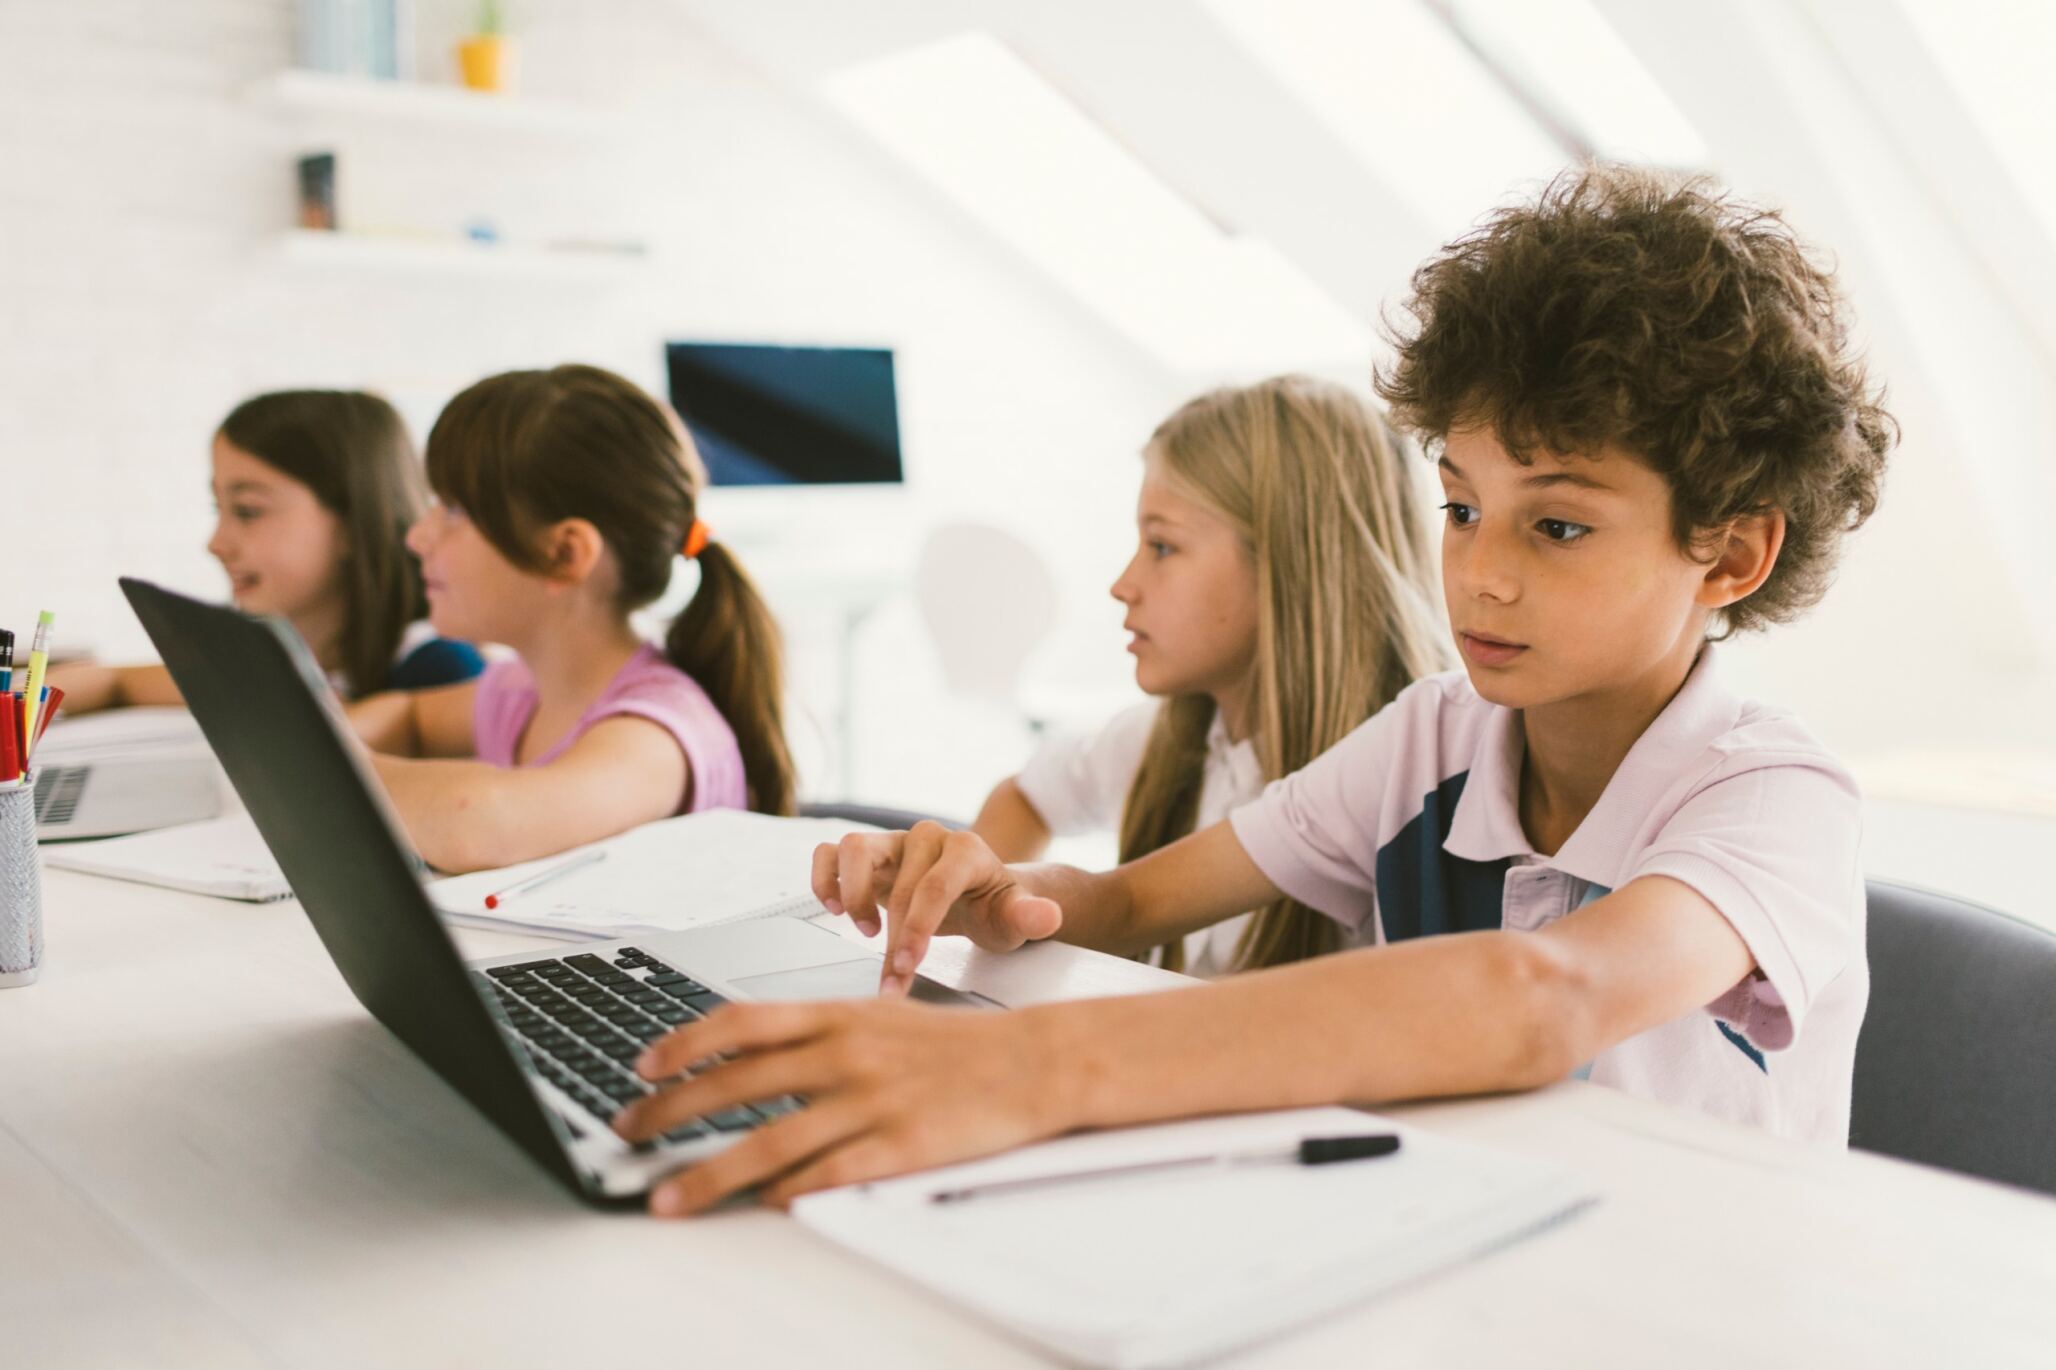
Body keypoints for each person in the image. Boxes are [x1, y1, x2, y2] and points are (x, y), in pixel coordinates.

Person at [611, 165, 1896, 1218]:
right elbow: (1122, 900)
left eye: (1554, 527)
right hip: (1457, 1240)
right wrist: (988, 891)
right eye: (1458, 506)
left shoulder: (1771, 795)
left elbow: (1540, 998)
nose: (1479, 576)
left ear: (1726, 553)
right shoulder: (1434, 738)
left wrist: (1031, 1064)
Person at [971, 375, 1446, 975]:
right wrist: (968, 912)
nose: (1124, 585)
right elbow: (1027, 795)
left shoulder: (1399, 787)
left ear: (1287, 565)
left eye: (1162, 546)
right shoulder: (1163, 738)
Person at [355, 365, 795, 873]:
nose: (417, 537)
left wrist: (317, 765)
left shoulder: (653, 737)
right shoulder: (519, 692)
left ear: (565, 554)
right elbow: (408, 716)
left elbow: (479, 826)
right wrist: (327, 736)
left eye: (453, 511)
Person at [51, 390, 482, 713]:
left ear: (354, 523)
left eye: (248, 510)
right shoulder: (271, 665)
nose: (216, 543)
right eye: (218, 508)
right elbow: (115, 680)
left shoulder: (443, 671)